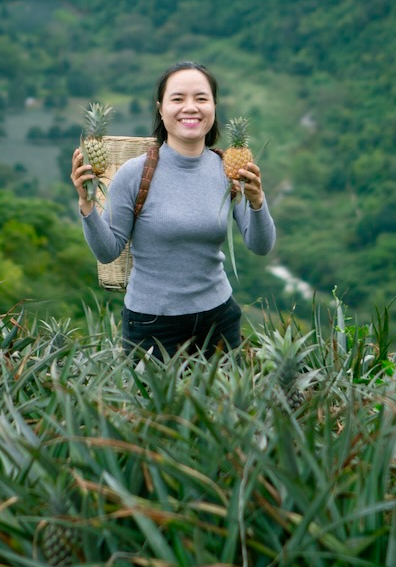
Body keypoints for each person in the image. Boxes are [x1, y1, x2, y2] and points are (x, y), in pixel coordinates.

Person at [72, 61, 276, 359]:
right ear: (161, 108)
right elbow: (108, 251)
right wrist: (87, 205)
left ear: (214, 107)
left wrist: (257, 201)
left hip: (219, 319)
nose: (190, 107)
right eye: (178, 99)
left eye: (201, 99)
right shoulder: (133, 173)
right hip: (152, 325)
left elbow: (261, 246)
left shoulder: (230, 170)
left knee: (221, 406)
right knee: (154, 407)